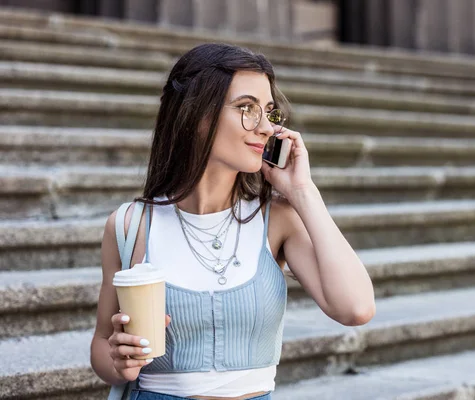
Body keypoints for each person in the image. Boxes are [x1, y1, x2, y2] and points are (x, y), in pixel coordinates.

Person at [90, 43, 376, 400]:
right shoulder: (130, 225)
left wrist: (303, 191)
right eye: (246, 109)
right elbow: (102, 344)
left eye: (269, 112)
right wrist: (118, 361)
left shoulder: (277, 220)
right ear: (197, 117)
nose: (265, 128)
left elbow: (356, 308)